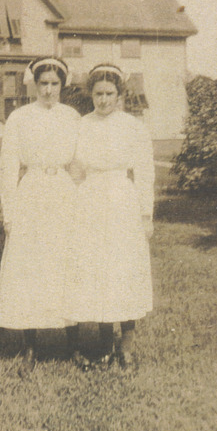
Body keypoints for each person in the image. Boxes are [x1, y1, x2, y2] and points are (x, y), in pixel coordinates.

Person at [65, 64, 155, 370]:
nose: (103, 100)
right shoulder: (82, 125)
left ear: (120, 95)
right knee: (99, 273)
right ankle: (104, 345)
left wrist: (146, 214)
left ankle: (126, 348)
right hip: (90, 200)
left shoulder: (132, 126)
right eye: (98, 93)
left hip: (122, 201)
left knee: (124, 271)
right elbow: (74, 168)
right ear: (90, 94)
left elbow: (145, 172)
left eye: (109, 94)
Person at [0, 57, 80, 368]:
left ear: (62, 86)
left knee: (66, 264)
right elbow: (8, 167)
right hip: (31, 193)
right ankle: (31, 347)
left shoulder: (72, 117)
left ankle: (73, 344)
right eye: (43, 83)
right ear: (33, 84)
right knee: (30, 267)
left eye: (54, 84)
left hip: (64, 194)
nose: (48, 90)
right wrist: (9, 211)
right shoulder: (19, 118)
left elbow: (80, 164)